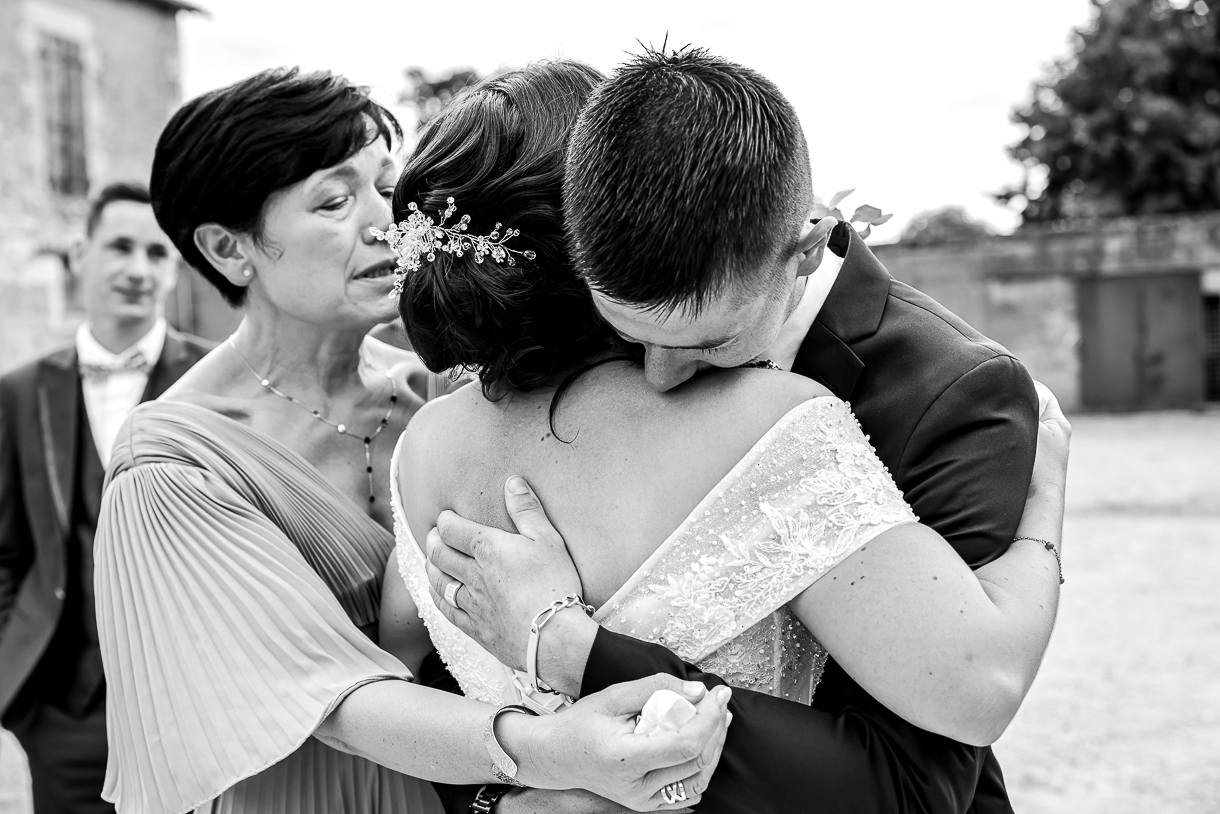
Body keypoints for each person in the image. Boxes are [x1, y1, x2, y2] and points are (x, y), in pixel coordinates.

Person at [378, 57, 1068, 814]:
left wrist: (519, 779)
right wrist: (1045, 508)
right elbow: (932, 748)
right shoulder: (769, 421)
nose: (667, 375)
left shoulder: (420, 449)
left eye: (705, 344)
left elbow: (416, 680)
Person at [91, 68, 729, 814]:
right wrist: (544, 752)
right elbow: (328, 697)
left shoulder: (443, 393)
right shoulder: (171, 466)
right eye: (333, 200)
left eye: (385, 186)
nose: (382, 221)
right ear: (230, 250)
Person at [0, 182, 211, 814]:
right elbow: (5, 549)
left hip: (198, 710)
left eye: (156, 253)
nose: (138, 270)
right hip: (66, 715)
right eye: (120, 246)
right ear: (78, 253)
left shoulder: (216, 381)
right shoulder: (18, 392)